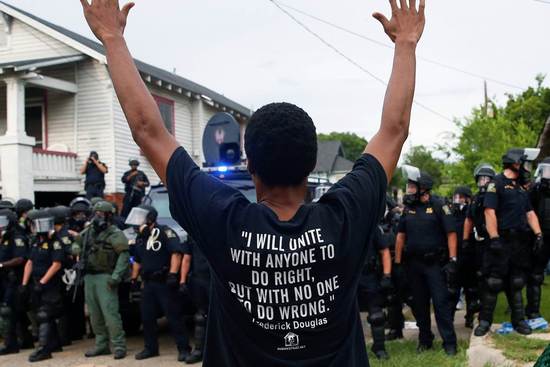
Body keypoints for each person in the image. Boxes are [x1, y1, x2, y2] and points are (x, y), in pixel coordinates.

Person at [80, 0, 425, 364]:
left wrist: (111, 37)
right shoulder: (345, 217)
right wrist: (406, 43)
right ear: (310, 165)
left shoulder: (224, 220)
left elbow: (148, 130)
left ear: (251, 166)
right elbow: (394, 131)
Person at [475, 149, 543, 336]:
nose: (526, 167)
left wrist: (538, 235)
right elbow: (489, 212)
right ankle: (485, 322)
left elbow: (530, 213)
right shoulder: (496, 184)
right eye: (524, 163)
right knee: (494, 282)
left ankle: (519, 321)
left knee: (517, 281)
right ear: (515, 163)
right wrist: (494, 237)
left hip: (519, 242)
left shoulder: (521, 188)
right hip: (501, 240)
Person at [394, 167, 458, 355]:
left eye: (412, 186)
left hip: (435, 265)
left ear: (423, 188)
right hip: (414, 265)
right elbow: (400, 236)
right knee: (419, 304)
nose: (409, 190)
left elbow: (451, 234)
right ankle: (425, 339)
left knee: (441, 304)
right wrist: (397, 264)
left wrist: (453, 259)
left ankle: (450, 343)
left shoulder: (439, 206)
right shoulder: (409, 209)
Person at [126, 205, 190, 360]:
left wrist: (173, 274)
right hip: (148, 283)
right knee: (147, 317)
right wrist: (134, 279)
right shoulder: (141, 236)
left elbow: (176, 253)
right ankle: (151, 348)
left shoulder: (165, 231)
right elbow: (137, 260)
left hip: (164, 281)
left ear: (149, 219)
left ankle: (184, 349)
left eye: (140, 217)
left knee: (173, 317)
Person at [72, 201, 129, 360]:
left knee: (110, 314)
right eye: (95, 214)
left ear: (109, 215)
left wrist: (116, 277)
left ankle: (119, 345)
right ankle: (101, 345)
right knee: (94, 314)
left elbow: (123, 257)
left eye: (101, 214)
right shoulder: (89, 231)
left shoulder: (115, 234)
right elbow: (76, 242)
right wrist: (76, 249)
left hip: (106, 277)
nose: (97, 217)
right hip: (90, 276)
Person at [21, 210, 65, 362]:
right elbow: (29, 262)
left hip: (50, 284)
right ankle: (54, 343)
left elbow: (56, 265)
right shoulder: (35, 241)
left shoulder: (55, 242)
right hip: (36, 283)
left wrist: (43, 282)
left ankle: (43, 349)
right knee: (42, 314)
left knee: (44, 314)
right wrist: (24, 283)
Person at [463, 164, 496, 332]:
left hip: (492, 242)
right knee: (475, 277)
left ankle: (486, 314)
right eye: (481, 179)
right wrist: (465, 239)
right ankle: (473, 311)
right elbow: (469, 219)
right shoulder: (475, 199)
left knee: (490, 279)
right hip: (477, 243)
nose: (483, 182)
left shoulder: (496, 196)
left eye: (486, 179)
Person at [358, 225, 392, 360]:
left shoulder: (371, 226)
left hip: (369, 276)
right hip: (347, 278)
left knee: (377, 316)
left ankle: (379, 348)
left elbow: (384, 251)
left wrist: (387, 275)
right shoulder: (340, 225)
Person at [0, 209, 29, 355]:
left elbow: (20, 258)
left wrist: (2, 265)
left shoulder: (17, 236)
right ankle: (23, 340)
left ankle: (11, 344)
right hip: (4, 279)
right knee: (15, 311)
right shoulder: (3, 237)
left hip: (14, 278)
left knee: (9, 311)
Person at [451, 186, 480, 328]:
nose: (458, 200)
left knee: (471, 290)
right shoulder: (450, 214)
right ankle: (449, 317)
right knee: (452, 289)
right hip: (455, 257)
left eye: (461, 197)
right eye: (456, 197)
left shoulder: (472, 213)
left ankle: (470, 316)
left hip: (470, 257)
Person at [526, 157, 550, 320]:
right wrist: (535, 235)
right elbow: (528, 212)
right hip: (539, 237)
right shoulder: (534, 189)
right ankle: (533, 311)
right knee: (535, 275)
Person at [180, 235, 209, 364]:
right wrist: (182, 280)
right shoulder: (193, 232)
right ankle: (199, 350)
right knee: (201, 317)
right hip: (200, 279)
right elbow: (187, 258)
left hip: (219, 280)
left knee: (223, 317)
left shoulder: (222, 227)